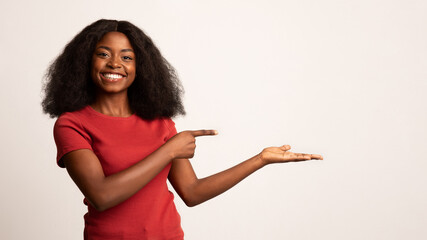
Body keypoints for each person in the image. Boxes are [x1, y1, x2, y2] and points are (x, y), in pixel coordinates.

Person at [42, 19, 323, 240]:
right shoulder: (72, 124)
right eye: (103, 54)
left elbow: (192, 192)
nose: (115, 63)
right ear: (85, 62)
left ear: (141, 68)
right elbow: (101, 196)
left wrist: (260, 160)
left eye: (127, 57)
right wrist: (168, 151)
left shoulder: (160, 122)